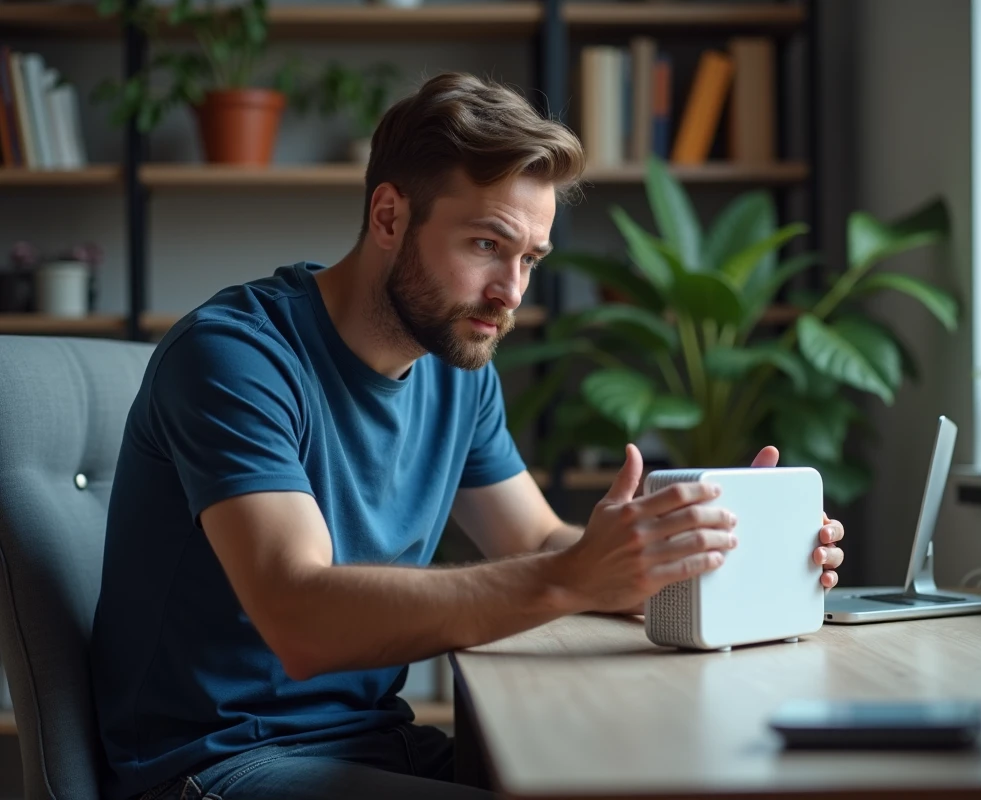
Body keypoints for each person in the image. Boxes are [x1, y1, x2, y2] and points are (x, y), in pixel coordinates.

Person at [88, 72, 847, 800]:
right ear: (389, 217)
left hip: (371, 742)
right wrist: (574, 576)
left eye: (530, 260)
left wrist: (691, 559)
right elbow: (299, 615)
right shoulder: (236, 357)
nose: (511, 293)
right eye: (487, 246)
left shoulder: (456, 366)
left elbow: (537, 538)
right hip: (217, 766)